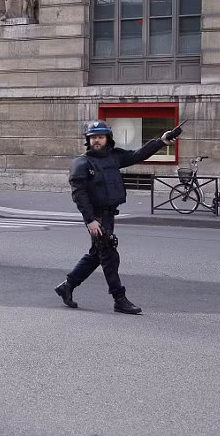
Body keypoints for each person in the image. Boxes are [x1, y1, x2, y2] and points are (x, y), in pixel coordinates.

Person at [54, 120, 178, 314]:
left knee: (97, 255)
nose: (96, 140)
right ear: (88, 140)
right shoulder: (82, 163)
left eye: (100, 137)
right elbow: (79, 194)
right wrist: (90, 220)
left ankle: (67, 286)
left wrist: (161, 141)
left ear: (107, 139)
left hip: (109, 213)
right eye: (93, 137)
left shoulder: (114, 157)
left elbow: (138, 155)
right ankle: (119, 298)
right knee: (109, 256)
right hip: (97, 217)